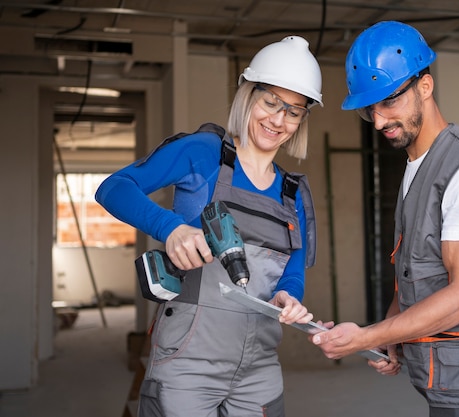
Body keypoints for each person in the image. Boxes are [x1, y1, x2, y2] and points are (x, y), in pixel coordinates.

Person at [310, 21, 459, 416]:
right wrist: (392, 332)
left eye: (389, 101)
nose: (378, 121)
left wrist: (365, 337)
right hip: (450, 379)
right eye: (369, 110)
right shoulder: (416, 168)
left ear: (425, 86)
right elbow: (415, 271)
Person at [95, 35, 322, 417]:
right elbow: (114, 188)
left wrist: (288, 297)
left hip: (260, 366)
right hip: (188, 360)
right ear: (248, 95)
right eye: (270, 102)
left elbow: (292, 271)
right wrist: (172, 228)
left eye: (294, 111)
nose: (278, 120)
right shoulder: (202, 152)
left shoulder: (292, 192)